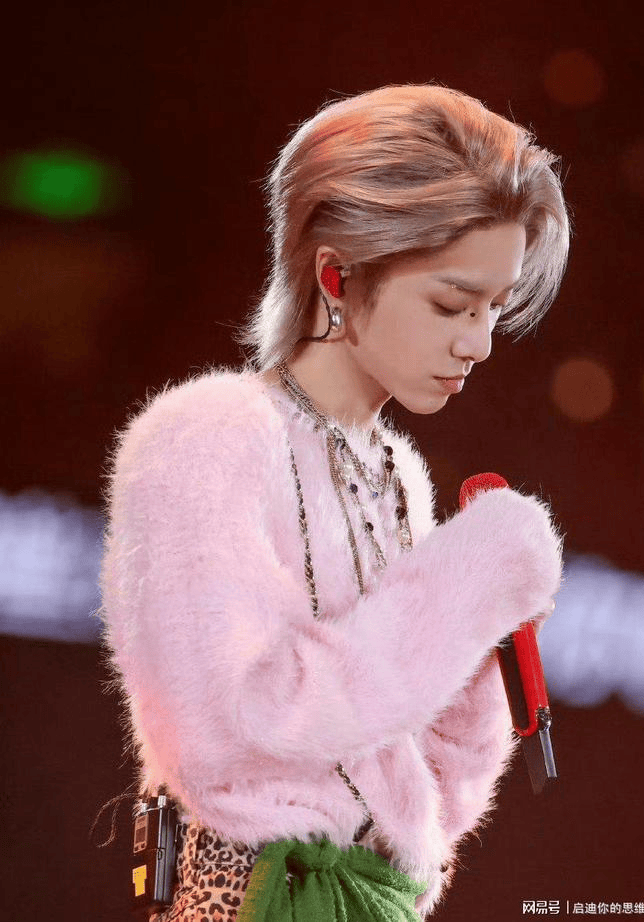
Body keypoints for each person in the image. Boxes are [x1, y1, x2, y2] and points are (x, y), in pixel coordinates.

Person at [99, 83, 570, 921]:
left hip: (380, 896)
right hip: (263, 893)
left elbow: (433, 793)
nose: (479, 342)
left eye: (494, 309)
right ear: (335, 277)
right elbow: (244, 721)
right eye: (451, 304)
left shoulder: (398, 471)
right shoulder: (207, 435)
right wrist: (463, 589)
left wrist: (485, 640)